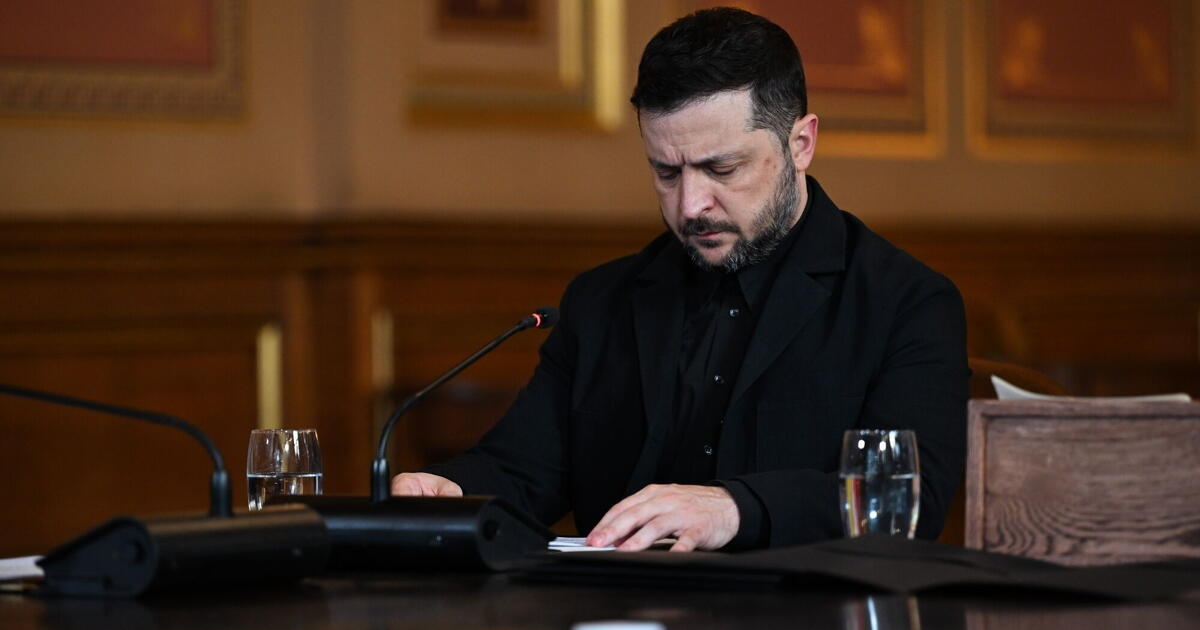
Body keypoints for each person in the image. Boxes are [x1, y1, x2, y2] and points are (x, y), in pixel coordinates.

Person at [392, 7, 968, 552]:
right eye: (666, 172)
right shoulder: (600, 302)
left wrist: (735, 509)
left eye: (722, 168)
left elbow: (910, 504)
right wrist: (450, 491)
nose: (691, 206)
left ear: (801, 144)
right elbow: (522, 470)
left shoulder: (907, 303)